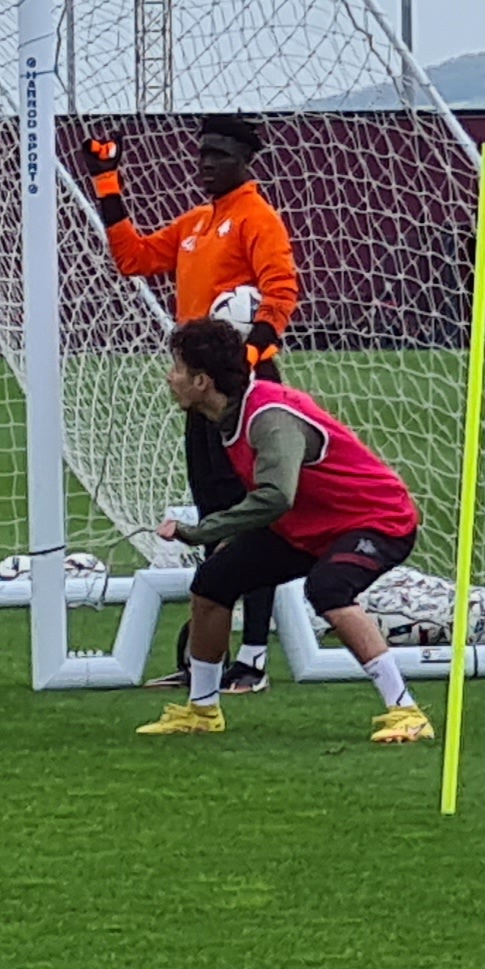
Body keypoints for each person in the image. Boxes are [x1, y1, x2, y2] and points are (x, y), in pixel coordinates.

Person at [137, 317, 431, 744]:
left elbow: (276, 496)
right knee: (213, 583)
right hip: (307, 526)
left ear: (202, 381)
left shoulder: (269, 417)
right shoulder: (226, 415)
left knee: (328, 589)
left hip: (377, 519)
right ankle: (202, 710)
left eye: (178, 368)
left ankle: (406, 711)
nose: (170, 377)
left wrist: (201, 531)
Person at [87, 114, 300, 694]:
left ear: (244, 160)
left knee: (252, 519)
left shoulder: (257, 218)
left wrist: (244, 361)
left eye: (218, 155)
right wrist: (107, 181)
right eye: (202, 153)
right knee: (212, 519)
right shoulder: (196, 223)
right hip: (201, 391)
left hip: (243, 389)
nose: (205, 164)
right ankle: (206, 658)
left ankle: (253, 658)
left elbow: (281, 291)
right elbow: (132, 258)